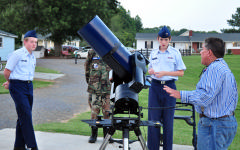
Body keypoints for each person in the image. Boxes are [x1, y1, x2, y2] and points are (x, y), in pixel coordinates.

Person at [164, 37, 238, 150]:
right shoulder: (223, 67)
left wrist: (180, 94)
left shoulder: (215, 69)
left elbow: (204, 97)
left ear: (209, 53)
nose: (200, 52)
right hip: (225, 123)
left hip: (214, 126)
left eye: (202, 49)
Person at [147, 26, 186, 150]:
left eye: (166, 40)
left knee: (168, 123)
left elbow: (181, 72)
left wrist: (165, 73)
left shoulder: (175, 53)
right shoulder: (153, 53)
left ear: (170, 39)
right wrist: (151, 71)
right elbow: (149, 70)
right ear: (158, 39)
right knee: (153, 121)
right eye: (161, 39)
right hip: (155, 87)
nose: (163, 42)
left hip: (169, 87)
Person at [2, 30, 38, 150]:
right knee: (26, 116)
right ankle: (33, 146)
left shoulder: (33, 57)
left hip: (29, 86)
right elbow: (7, 71)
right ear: (25, 42)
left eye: (36, 42)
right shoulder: (17, 54)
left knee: (23, 116)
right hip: (18, 87)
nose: (34, 44)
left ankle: (19, 147)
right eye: (32, 42)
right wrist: (11, 83)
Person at [84, 49, 113, 143]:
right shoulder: (92, 52)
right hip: (95, 88)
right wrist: (90, 82)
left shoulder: (111, 52)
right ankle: (93, 135)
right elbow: (87, 67)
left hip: (107, 89)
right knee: (94, 112)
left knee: (107, 113)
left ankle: (107, 136)